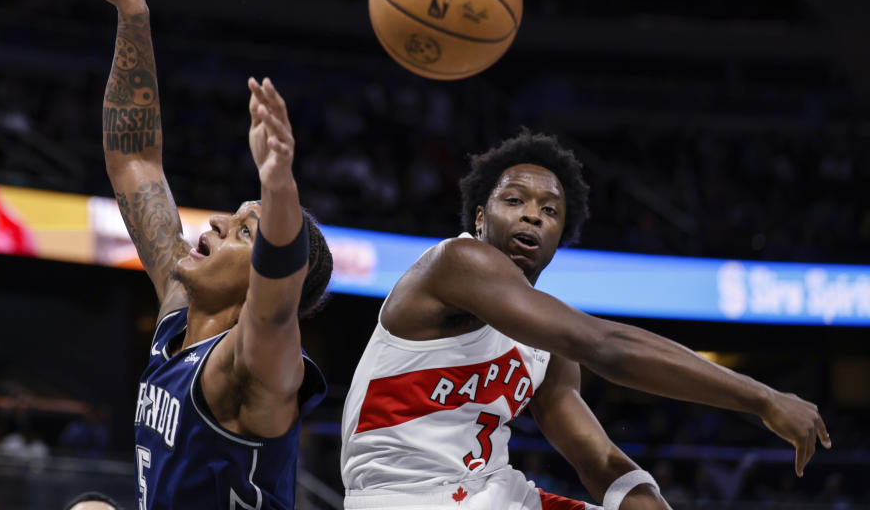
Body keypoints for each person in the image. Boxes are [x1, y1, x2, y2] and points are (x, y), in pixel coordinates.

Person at [341, 130, 830, 510]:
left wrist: (641, 494)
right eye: (514, 200)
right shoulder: (457, 261)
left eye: (549, 210)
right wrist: (763, 398)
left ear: (560, 234)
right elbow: (608, 346)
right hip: (406, 496)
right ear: (479, 219)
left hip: (493, 495)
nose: (532, 216)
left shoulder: (542, 343)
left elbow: (595, 459)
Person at [68, 0, 333, 510]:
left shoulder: (257, 364)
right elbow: (135, 159)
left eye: (244, 231)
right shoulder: (178, 313)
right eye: (236, 216)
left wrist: (278, 182)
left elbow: (280, 288)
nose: (215, 223)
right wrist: (133, 12)